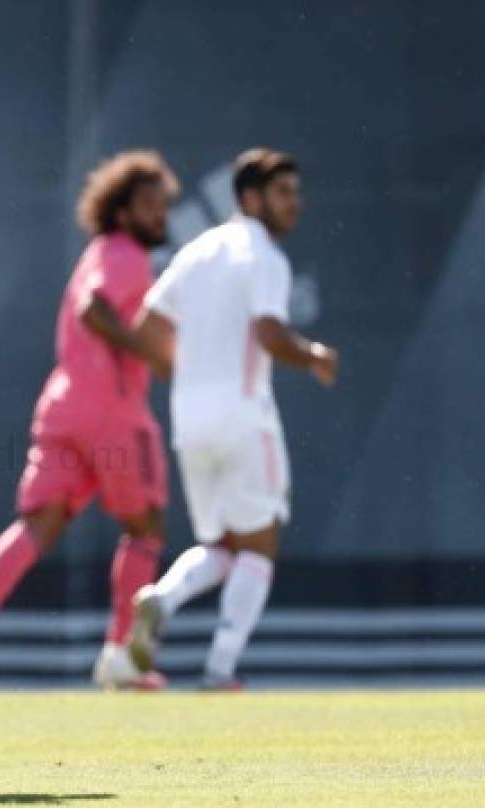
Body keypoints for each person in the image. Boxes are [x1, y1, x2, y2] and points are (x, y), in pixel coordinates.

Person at [0, 151, 177, 691]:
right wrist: (155, 353)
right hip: (113, 412)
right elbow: (97, 308)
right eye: (150, 204)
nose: (160, 216)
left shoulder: (100, 250)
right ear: (120, 210)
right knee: (146, 528)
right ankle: (119, 652)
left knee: (39, 522)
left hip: (64, 403)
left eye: (164, 205)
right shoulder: (128, 256)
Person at [127, 148, 339, 689]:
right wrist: (315, 356)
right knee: (259, 545)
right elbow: (269, 333)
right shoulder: (263, 254)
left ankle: (162, 598)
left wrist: (191, 377)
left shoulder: (199, 249)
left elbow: (148, 325)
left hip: (190, 419)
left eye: (296, 192)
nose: (295, 203)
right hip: (244, 417)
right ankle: (220, 667)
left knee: (221, 546)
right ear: (250, 198)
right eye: (283, 193)